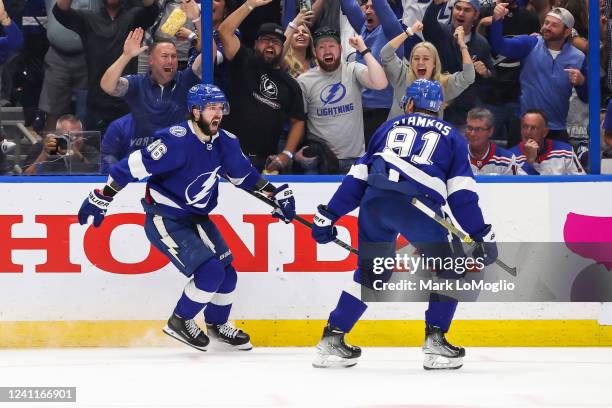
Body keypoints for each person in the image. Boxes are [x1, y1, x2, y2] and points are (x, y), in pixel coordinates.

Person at [77, 84, 297, 351]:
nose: (217, 114)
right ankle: (180, 321)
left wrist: (275, 194)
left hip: (197, 216)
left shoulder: (226, 141)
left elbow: (244, 177)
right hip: (165, 217)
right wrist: (104, 195)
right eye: (210, 108)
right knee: (210, 272)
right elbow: (129, 168)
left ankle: (216, 326)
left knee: (227, 274)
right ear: (195, 111)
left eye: (220, 108)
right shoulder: (175, 141)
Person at [310, 79, 497, 369]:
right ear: (439, 108)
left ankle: (332, 339)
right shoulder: (452, 136)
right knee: (451, 267)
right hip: (416, 205)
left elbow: (357, 177)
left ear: (409, 104)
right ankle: (435, 344)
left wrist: (330, 214)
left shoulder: (387, 128)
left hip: (374, 203)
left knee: (372, 273)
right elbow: (461, 196)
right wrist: (480, 233)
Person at [218, 0, 305, 173]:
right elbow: (224, 31)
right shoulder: (243, 60)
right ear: (256, 43)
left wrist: (287, 154)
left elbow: (298, 122)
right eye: (266, 40)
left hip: (263, 163)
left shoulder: (291, 85)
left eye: (277, 42)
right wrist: (249, 4)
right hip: (228, 155)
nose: (271, 44)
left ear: (282, 48)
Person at [53, 0, 159, 134]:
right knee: (94, 150)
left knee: (128, 152)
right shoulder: (88, 18)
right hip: (96, 100)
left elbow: (152, 9)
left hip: (126, 99)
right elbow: (60, 11)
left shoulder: (134, 16)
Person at [100, 8, 202, 144]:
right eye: (165, 56)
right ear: (151, 60)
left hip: (179, 153)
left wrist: (197, 20)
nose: (170, 61)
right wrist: (126, 56)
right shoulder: (137, 84)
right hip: (143, 156)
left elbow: (209, 54)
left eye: (174, 56)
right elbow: (107, 86)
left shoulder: (186, 79)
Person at [296, 28, 388, 174]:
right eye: (321, 47)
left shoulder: (352, 69)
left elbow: (381, 83)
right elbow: (298, 120)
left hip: (355, 160)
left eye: (332, 46)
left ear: (340, 48)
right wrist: (295, 150)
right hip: (320, 161)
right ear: (314, 52)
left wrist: (363, 49)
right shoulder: (304, 81)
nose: (327, 51)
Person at [488, 5, 587, 141]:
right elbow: (500, 46)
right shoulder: (531, 43)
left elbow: (587, 97)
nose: (547, 27)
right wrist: (497, 20)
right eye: (546, 23)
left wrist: (582, 83)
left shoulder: (579, 57)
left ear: (566, 32)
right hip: (524, 125)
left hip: (556, 128)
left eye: (554, 25)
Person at [340, 0, 404, 144]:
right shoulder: (364, 28)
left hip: (384, 112)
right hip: (358, 109)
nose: (367, 11)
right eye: (366, 7)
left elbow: (381, 4)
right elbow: (349, 5)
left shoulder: (393, 31)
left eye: (373, 8)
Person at [380, 22, 475, 120]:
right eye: (416, 58)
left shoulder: (443, 84)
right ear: (411, 62)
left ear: (434, 63)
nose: (420, 62)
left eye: (426, 58)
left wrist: (462, 44)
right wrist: (409, 32)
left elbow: (468, 76)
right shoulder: (402, 75)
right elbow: (385, 54)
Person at [423, 0, 494, 126]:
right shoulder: (441, 32)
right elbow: (428, 25)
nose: (460, 13)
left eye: (467, 10)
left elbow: (492, 76)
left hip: (463, 113)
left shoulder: (481, 44)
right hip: (436, 107)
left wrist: (485, 73)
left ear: (476, 15)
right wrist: (435, 4)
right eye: (458, 8)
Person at [509, 109, 584, 175]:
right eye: (525, 127)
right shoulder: (510, 157)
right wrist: (530, 161)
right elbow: (515, 187)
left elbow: (582, 182)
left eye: (534, 128)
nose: (528, 132)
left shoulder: (565, 152)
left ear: (545, 132)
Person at [23, 114, 100, 174]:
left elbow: (96, 174)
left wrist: (77, 156)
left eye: (78, 135)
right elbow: (26, 177)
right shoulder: (41, 148)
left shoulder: (89, 150)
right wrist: (44, 154)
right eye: (68, 136)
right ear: (57, 135)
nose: (73, 139)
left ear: (83, 135)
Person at [465, 107, 525, 175]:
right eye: (469, 128)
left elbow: (521, 184)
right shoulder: (456, 156)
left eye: (479, 129)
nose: (472, 134)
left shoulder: (507, 159)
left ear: (490, 131)